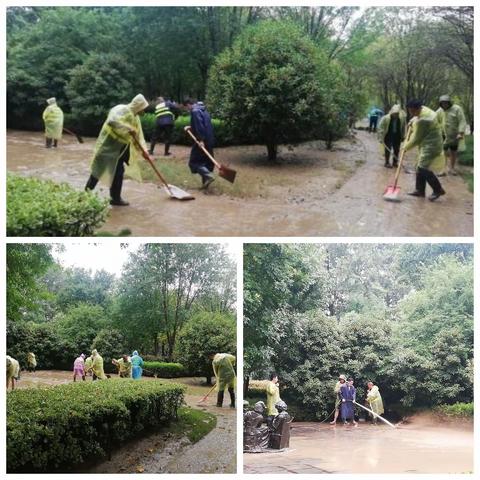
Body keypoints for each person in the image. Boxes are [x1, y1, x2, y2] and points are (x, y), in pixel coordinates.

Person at [85, 93, 150, 206]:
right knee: (97, 172)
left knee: (118, 173)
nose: (144, 111)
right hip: (107, 147)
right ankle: (84, 197)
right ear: (138, 106)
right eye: (143, 108)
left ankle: (115, 198)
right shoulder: (121, 109)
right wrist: (128, 128)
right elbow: (112, 121)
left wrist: (145, 151)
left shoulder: (136, 118)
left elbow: (139, 136)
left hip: (120, 150)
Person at [404, 99, 446, 201]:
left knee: (422, 167)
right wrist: (412, 120)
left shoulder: (424, 120)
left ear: (419, 108)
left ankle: (438, 189)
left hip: (432, 145)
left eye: (413, 111)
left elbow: (416, 139)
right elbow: (417, 117)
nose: (412, 113)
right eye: (410, 111)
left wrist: (404, 147)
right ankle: (419, 190)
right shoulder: (424, 109)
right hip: (427, 143)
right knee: (419, 166)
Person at [184, 99, 215, 189]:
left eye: (186, 108)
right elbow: (203, 124)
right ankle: (205, 185)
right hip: (209, 140)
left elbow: (199, 126)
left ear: (188, 105)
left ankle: (208, 176)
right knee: (205, 163)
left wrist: (201, 140)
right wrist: (190, 127)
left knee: (194, 162)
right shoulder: (204, 111)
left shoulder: (195, 111)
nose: (187, 110)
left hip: (202, 141)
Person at [436, 95, 467, 176]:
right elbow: (434, 119)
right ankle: (443, 169)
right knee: (443, 152)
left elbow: (462, 121)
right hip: (443, 134)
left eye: (446, 103)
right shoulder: (440, 111)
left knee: (453, 152)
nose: (444, 105)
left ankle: (452, 168)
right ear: (440, 104)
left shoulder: (457, 109)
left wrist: (460, 133)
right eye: (442, 103)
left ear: (449, 103)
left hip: (454, 135)